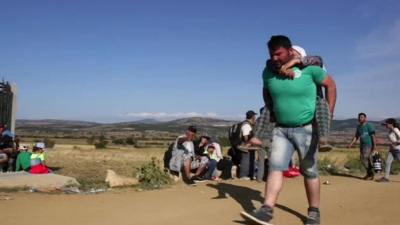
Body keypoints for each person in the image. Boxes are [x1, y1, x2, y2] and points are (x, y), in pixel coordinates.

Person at [241, 35, 337, 225]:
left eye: (278, 53)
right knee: (275, 168)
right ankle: (267, 209)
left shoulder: (310, 69)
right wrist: (270, 106)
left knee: (309, 170)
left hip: (307, 129)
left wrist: (329, 112)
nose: (274, 57)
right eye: (271, 54)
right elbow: (266, 90)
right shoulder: (268, 72)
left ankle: (314, 212)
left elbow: (331, 86)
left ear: (290, 51)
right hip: (281, 129)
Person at [348, 113, 377, 180]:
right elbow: (356, 136)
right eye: (359, 117)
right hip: (362, 145)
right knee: (362, 159)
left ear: (365, 118)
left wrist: (375, 147)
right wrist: (351, 144)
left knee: (365, 158)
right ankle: (369, 173)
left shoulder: (369, 125)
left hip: (369, 144)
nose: (360, 118)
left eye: (361, 117)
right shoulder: (359, 127)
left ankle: (370, 173)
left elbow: (373, 136)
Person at [238, 110, 258, 180]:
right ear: (252, 116)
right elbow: (246, 136)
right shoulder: (246, 125)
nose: (255, 117)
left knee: (250, 159)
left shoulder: (246, 124)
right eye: (254, 116)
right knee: (246, 160)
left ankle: (249, 174)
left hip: (248, 145)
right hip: (245, 145)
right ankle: (243, 175)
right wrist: (250, 142)